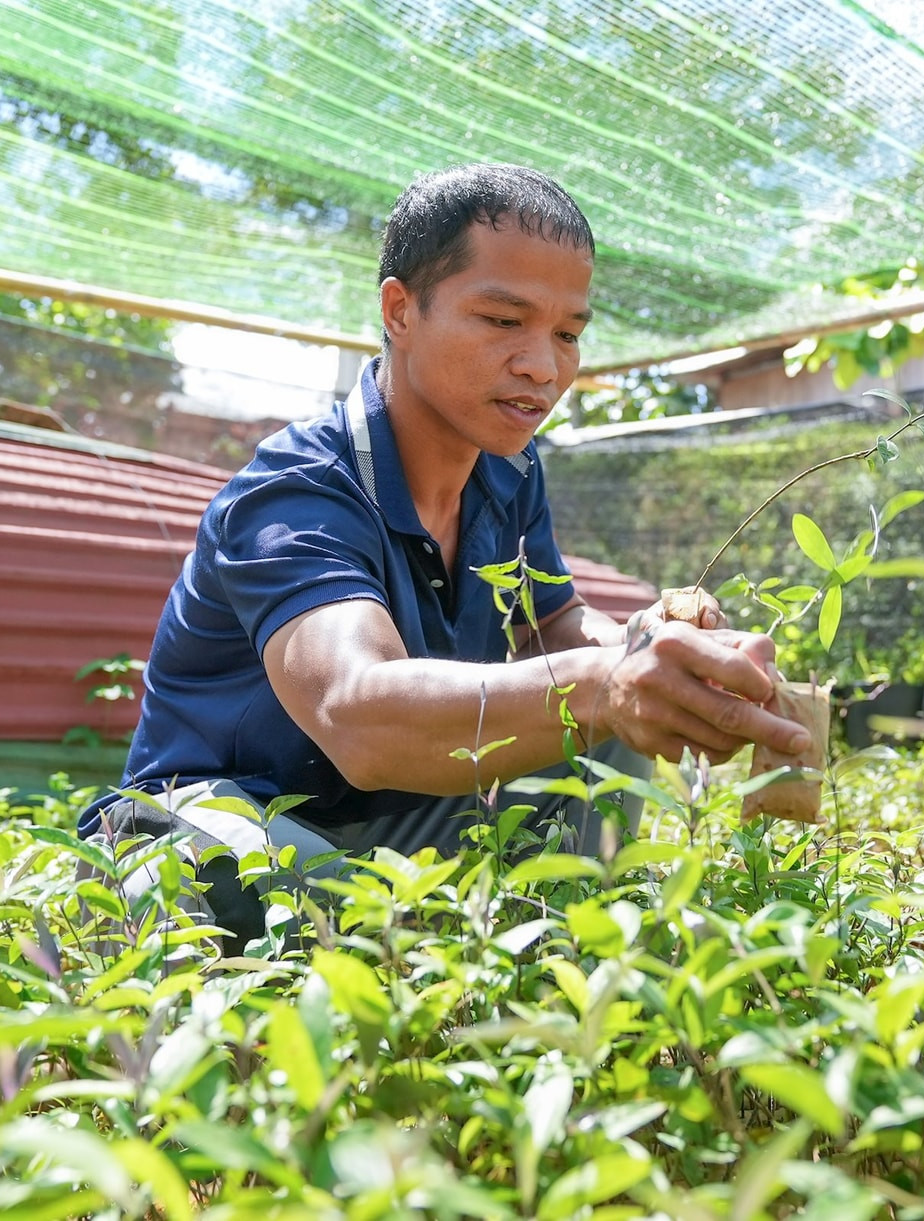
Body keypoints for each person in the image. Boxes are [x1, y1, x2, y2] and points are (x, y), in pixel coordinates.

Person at [79, 164, 812, 946]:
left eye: (568, 333)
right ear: (401, 309)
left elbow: (550, 624)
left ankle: (537, 965)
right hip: (221, 819)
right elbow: (356, 714)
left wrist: (650, 649)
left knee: (599, 743)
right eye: (504, 320)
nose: (544, 365)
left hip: (393, 824)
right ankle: (426, 953)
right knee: (302, 901)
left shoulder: (508, 469)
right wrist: (606, 682)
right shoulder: (295, 494)